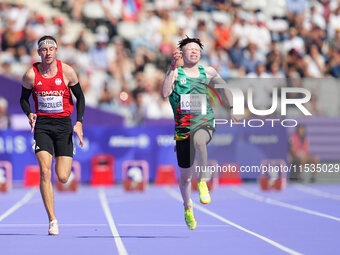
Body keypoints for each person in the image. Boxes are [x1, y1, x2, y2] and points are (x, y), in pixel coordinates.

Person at [161, 37, 238, 230]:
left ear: (201, 53)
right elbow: (164, 93)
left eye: (197, 49)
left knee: (200, 141)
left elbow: (224, 89)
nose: (194, 52)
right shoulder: (176, 73)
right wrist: (171, 68)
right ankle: (188, 207)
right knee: (185, 177)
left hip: (204, 121)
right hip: (183, 126)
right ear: (181, 53)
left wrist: (232, 107)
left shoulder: (209, 71)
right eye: (189, 49)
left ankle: (203, 181)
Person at [20, 35, 85, 235]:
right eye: (43, 50)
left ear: (56, 51)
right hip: (43, 126)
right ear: (39, 53)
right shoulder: (30, 75)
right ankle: (52, 220)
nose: (47, 53)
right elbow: (23, 99)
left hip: (64, 125)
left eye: (51, 49)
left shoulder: (67, 72)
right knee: (45, 172)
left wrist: (79, 122)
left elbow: (80, 97)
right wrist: (29, 113)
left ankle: (65, 151)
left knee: (63, 177)